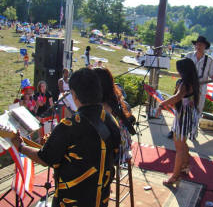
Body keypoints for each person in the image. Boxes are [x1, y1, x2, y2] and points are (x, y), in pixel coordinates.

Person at [12, 68, 120, 207]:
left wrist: (20, 147)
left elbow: (45, 158)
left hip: (71, 201)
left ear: (74, 95)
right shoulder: (111, 121)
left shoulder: (69, 125)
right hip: (101, 200)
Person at [155, 58, 200, 187]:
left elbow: (177, 97)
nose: (178, 72)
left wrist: (161, 104)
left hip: (183, 118)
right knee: (182, 143)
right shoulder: (193, 82)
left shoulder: (185, 84)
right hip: (186, 115)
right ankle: (185, 165)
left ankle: (175, 176)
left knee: (179, 147)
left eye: (179, 70)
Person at [167, 35, 213, 139]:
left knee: (197, 110)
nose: (198, 46)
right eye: (197, 44)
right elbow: (182, 70)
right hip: (186, 88)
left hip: (200, 90)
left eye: (201, 44)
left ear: (205, 46)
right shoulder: (188, 56)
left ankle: (192, 132)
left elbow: (212, 75)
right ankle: (174, 130)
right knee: (180, 108)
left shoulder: (209, 61)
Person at [94, 67, 136, 164]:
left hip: (116, 150)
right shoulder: (113, 96)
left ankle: (96, 177)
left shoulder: (105, 105)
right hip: (122, 143)